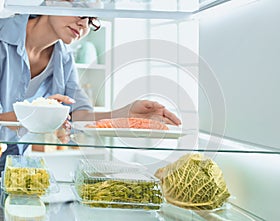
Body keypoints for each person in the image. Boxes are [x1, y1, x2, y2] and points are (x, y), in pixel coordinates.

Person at [0, 14, 181, 171]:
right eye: (79, 11)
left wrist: (126, 115)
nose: (83, 24)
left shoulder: (64, 58)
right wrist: (36, 115)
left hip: (13, 155)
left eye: (91, 19)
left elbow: (79, 114)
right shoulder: (2, 34)